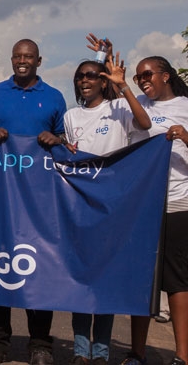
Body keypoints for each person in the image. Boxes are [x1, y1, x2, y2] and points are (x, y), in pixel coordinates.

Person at [47, 52, 151, 365]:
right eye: (80, 76)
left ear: (103, 80)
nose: (85, 80)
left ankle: (101, 351)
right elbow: (70, 155)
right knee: (81, 279)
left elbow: (145, 124)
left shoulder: (118, 107)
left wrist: (123, 87)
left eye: (92, 75)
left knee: (105, 279)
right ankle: (81, 350)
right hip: (80, 205)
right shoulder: (71, 117)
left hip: (115, 206)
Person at [0, 39, 66, 365]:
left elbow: (66, 144)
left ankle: (40, 345)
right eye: (17, 56)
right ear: (12, 59)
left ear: (39, 61)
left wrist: (56, 140)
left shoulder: (54, 97)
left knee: (40, 268)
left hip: (41, 199)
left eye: (29, 57)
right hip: (1, 195)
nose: (22, 61)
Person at [121, 56, 188, 365]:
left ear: (166, 75)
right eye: (137, 77)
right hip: (144, 205)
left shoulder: (186, 107)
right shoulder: (138, 106)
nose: (143, 79)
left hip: (177, 202)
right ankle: (138, 351)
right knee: (142, 279)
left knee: (176, 281)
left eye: (147, 74)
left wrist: (186, 137)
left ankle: (182, 356)